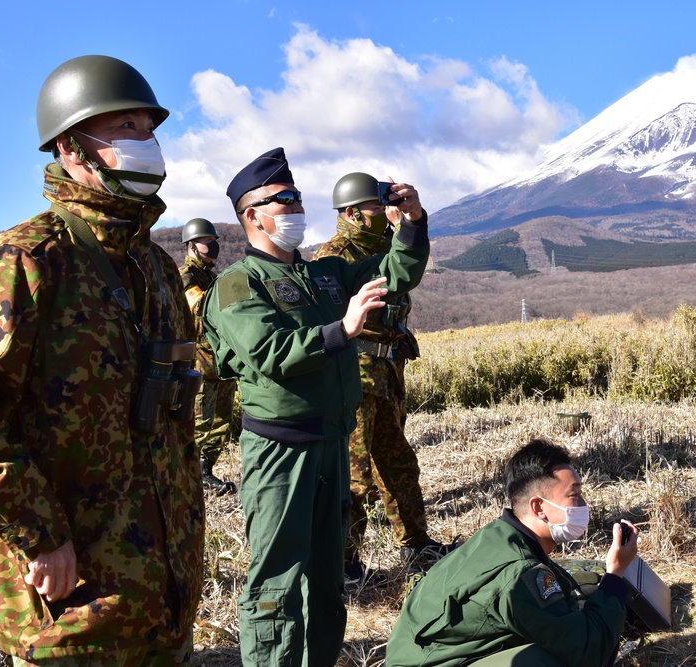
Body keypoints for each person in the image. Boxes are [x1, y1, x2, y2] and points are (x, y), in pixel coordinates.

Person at [0, 55, 204, 664]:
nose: (146, 144)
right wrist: (39, 533)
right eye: (126, 129)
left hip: (164, 604)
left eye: (149, 130)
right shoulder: (28, 259)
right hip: (73, 620)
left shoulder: (156, 267)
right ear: (73, 147)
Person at [202, 147, 430, 667]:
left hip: (331, 441)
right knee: (278, 577)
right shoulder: (238, 282)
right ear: (252, 216)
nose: (294, 206)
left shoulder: (325, 273)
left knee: (327, 576)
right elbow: (269, 352)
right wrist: (341, 329)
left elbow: (397, 271)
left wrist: (412, 221)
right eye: (280, 199)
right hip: (282, 451)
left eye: (297, 196)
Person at [386, 438, 638, 667]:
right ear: (539, 507)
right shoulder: (519, 575)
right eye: (575, 495)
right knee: (547, 661)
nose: (584, 505)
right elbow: (590, 652)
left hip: (423, 654)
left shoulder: (498, 534)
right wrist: (614, 575)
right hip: (428, 662)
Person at [313, 172, 452, 583]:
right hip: (354, 376)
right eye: (376, 206)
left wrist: (408, 221)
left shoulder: (387, 246)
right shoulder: (333, 256)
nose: (384, 211)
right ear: (353, 214)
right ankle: (345, 562)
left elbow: (405, 270)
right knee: (353, 474)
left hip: (388, 372)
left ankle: (415, 541)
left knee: (398, 463)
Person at [180, 217, 238, 495]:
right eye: (207, 242)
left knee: (221, 421)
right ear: (191, 245)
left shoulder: (214, 278)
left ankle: (205, 471)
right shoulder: (186, 277)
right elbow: (201, 307)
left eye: (215, 242)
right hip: (200, 362)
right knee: (200, 421)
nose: (212, 247)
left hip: (220, 361)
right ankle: (190, 474)